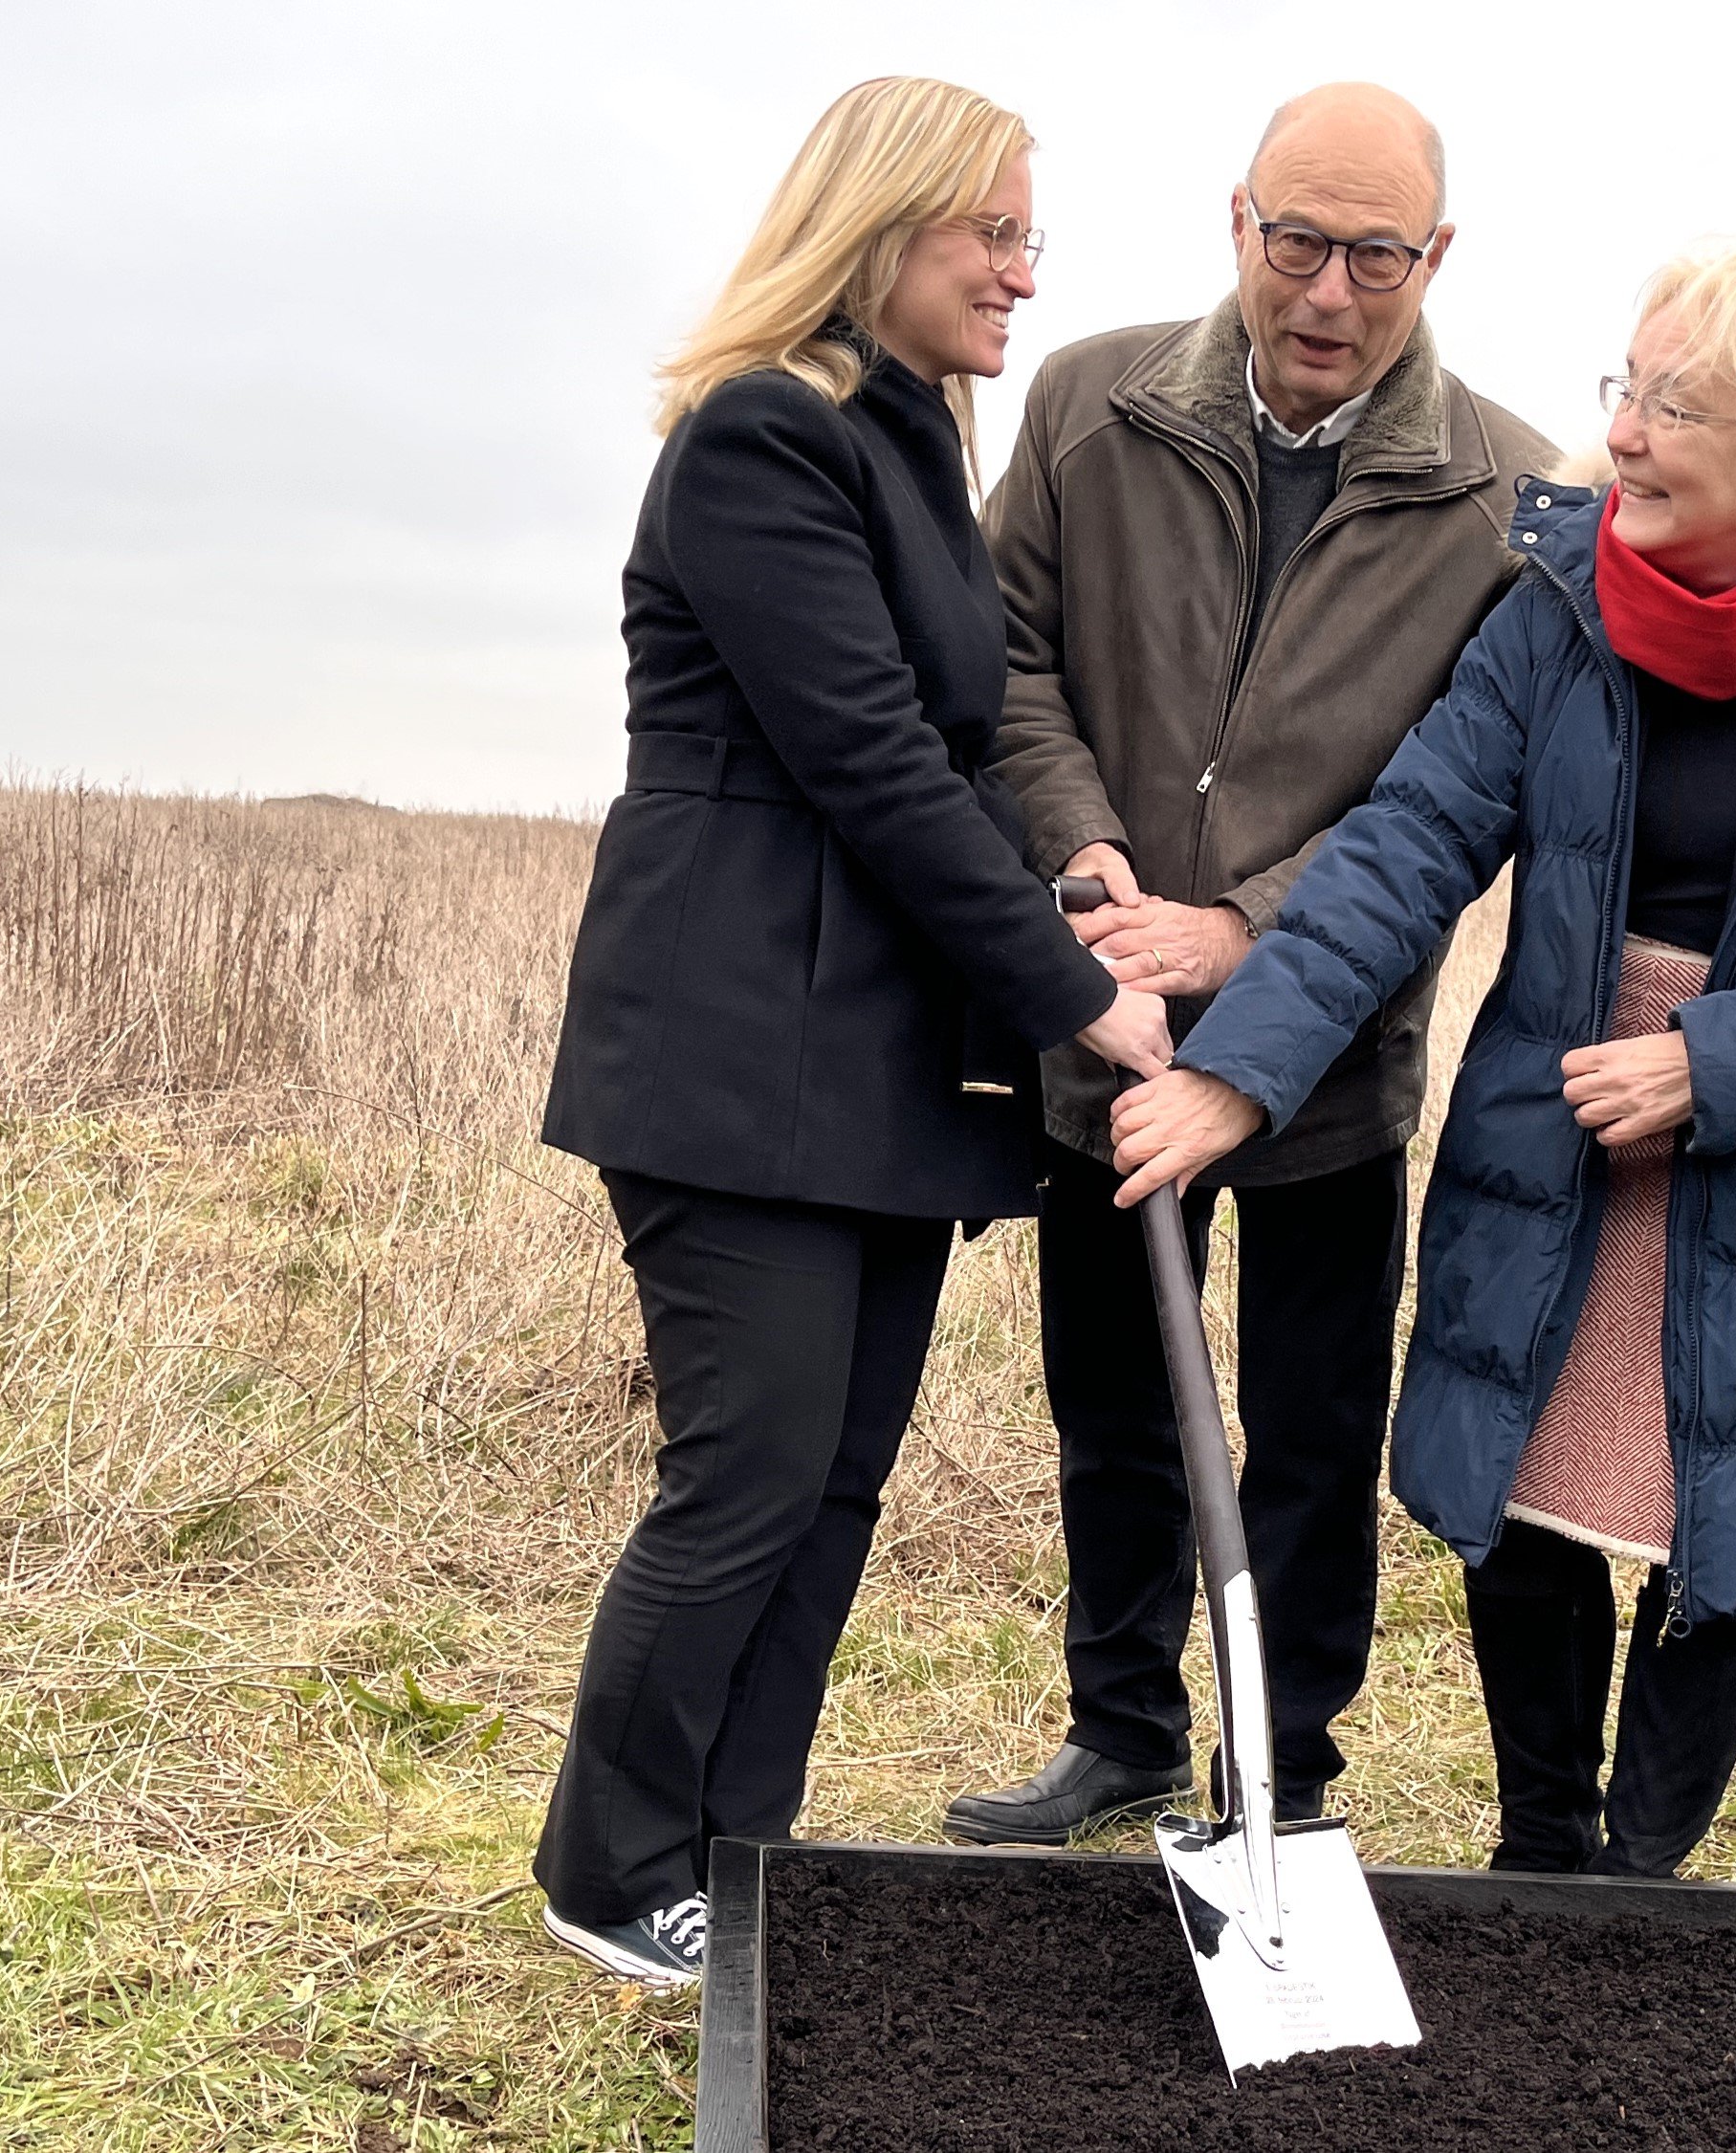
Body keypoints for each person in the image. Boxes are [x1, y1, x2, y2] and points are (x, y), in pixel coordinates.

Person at [1110, 242, 1736, 1877]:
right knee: (1527, 1478)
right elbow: (1408, 845)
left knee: (1726, 1512)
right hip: (1551, 1123)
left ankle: (1641, 1882)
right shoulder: (1563, 602)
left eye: (1672, 407)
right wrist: (1238, 1071)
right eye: (1629, 387)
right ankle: (1542, 1855)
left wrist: (1716, 1066)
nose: (1620, 433)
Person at [531, 77, 1170, 1987]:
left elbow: (953, 761)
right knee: (749, 1471)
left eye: (1033, 237)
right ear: (883, 221)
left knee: (831, 1482)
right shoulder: (761, 439)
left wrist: (1068, 882)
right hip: (735, 1054)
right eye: (995, 233)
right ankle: (610, 1866)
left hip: (874, 1067)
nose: (1024, 274)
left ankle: (740, 1854)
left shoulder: (909, 453)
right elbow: (871, 766)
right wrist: (1079, 997)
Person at [941, 83, 1554, 1846]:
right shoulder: (1088, 404)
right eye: (1297, 242)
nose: (1329, 292)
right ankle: (1123, 1727)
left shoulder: (1512, 496)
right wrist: (1087, 867)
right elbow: (1008, 659)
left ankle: (1282, 1776)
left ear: (1438, 256)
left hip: (1329, 1067)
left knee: (1307, 1434)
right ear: (1237, 221)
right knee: (1115, 1405)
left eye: (1377, 257)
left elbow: (1462, 788)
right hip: (1107, 1031)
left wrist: (1250, 928)